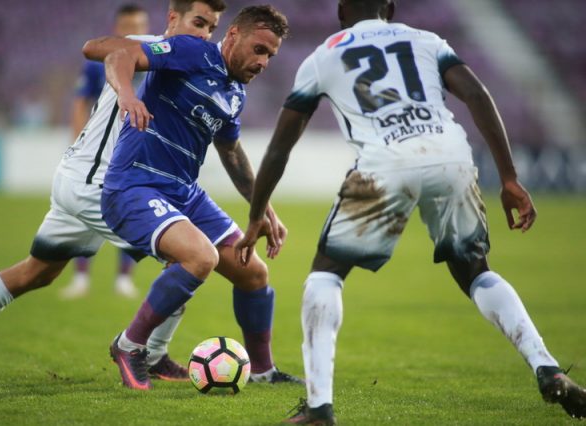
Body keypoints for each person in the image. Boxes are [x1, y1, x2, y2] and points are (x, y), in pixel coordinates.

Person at [235, 0, 586, 423]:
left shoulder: (324, 54)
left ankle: (319, 408)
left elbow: (280, 146)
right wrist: (509, 178)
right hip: (451, 156)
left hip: (385, 163)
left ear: (342, 11)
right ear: (391, 8)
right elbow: (476, 94)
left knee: (325, 274)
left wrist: (256, 215)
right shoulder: (426, 40)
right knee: (476, 270)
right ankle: (546, 367)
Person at [0, 0, 227, 383]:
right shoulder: (143, 48)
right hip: (98, 183)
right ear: (172, 18)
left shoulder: (192, 65)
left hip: (84, 179)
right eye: (198, 22)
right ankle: (149, 352)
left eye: (211, 28)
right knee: (188, 258)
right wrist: (128, 94)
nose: (204, 34)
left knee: (36, 273)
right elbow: (94, 47)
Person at [82, 5, 302, 390]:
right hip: (135, 184)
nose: (263, 62)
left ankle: (264, 371)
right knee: (201, 257)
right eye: (259, 49)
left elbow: (231, 153)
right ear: (232, 36)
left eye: (270, 55)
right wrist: (128, 96)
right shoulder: (191, 51)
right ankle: (130, 345)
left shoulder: (234, 93)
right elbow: (120, 54)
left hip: (184, 191)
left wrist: (264, 210)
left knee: (253, 273)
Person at [62, 3, 151, 299]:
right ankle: (80, 277)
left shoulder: (155, 57)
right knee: (86, 211)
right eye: (127, 26)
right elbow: (80, 101)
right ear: (117, 28)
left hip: (137, 151)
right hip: (100, 150)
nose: (133, 32)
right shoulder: (96, 62)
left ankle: (124, 279)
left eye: (138, 26)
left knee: (132, 211)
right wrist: (77, 142)